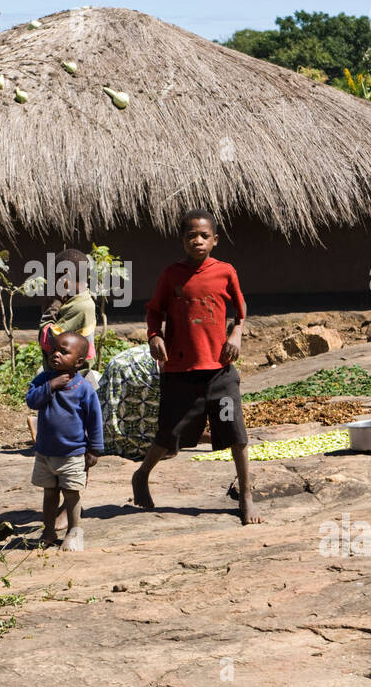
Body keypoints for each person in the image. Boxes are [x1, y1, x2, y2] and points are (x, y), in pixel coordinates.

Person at [132, 209, 261, 525]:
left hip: (220, 371)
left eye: (204, 235)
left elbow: (241, 311)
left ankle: (246, 496)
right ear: (183, 240)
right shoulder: (171, 275)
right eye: (192, 235)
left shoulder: (226, 272)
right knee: (168, 436)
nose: (198, 240)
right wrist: (154, 336)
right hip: (180, 372)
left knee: (237, 434)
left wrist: (236, 332)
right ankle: (142, 474)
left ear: (215, 240)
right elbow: (154, 312)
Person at [25, 331, 103, 551]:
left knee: (71, 493)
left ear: (78, 361)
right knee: (49, 493)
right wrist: (51, 386)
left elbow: (94, 420)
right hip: (45, 453)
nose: (55, 355)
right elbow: (32, 400)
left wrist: (95, 449)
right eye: (54, 350)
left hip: (73, 453)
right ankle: (48, 530)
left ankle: (73, 531)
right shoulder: (43, 380)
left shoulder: (84, 389)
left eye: (63, 352)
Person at [39, 248, 97, 366]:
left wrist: (54, 304)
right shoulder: (77, 299)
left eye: (54, 277)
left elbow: (47, 340)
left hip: (70, 376)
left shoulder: (79, 307)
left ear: (65, 277)